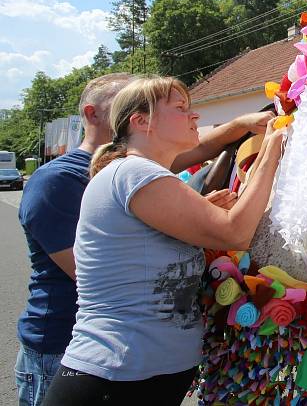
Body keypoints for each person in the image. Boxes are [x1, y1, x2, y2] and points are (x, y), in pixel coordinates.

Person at [16, 72, 271, 406]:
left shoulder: (148, 171)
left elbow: (209, 146)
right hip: (113, 375)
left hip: (139, 376)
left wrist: (243, 125)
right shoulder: (134, 172)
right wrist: (274, 148)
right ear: (139, 121)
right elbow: (235, 232)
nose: (194, 115)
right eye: (181, 107)